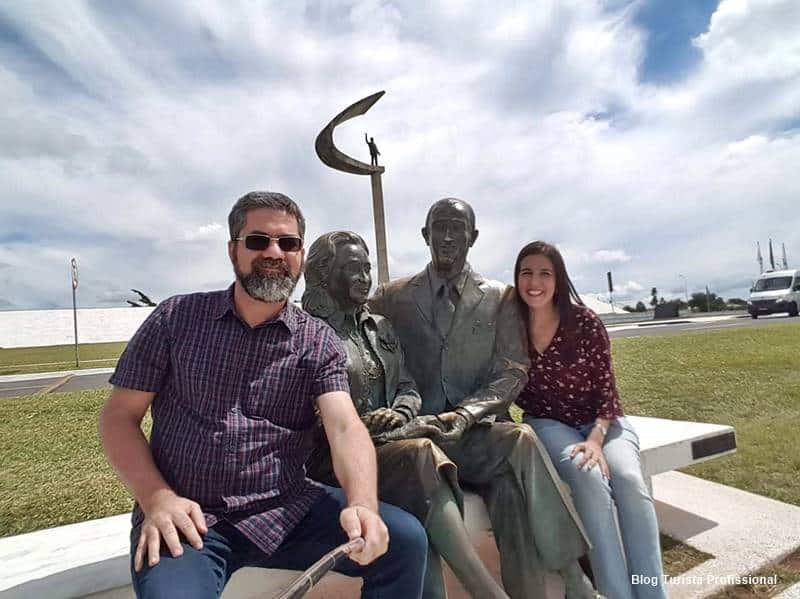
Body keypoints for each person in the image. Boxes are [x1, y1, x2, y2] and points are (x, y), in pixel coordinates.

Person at [98, 191, 427, 599]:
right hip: (191, 518)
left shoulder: (316, 339)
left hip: (288, 509)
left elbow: (344, 426)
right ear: (233, 249)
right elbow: (119, 418)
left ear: (301, 255)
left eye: (287, 243)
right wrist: (157, 499)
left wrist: (362, 503)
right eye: (258, 240)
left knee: (405, 540)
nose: (274, 252)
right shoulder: (175, 319)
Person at [370, 198, 598, 599]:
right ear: (425, 235)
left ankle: (564, 579)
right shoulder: (392, 296)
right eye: (438, 227)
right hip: (418, 439)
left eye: (457, 228)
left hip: (474, 434)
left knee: (514, 464)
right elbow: (351, 329)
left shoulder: (500, 297)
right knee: (516, 459)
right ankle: (573, 578)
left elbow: (512, 369)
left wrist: (467, 412)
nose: (447, 236)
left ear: (472, 237)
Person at [302, 231, 508, 599]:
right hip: (335, 460)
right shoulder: (308, 334)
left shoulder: (380, 327)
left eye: (367, 269)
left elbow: (407, 386)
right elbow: (304, 413)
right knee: (420, 453)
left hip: (390, 446)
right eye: (353, 269)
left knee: (416, 488)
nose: (364, 277)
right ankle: (486, 591)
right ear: (323, 274)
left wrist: (399, 413)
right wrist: (362, 425)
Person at [512, 240, 667, 599]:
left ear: (559, 279)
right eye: (526, 273)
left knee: (628, 479)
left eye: (544, 273)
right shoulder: (510, 327)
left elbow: (608, 392)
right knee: (589, 479)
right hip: (548, 424)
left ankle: (651, 593)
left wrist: (597, 438)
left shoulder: (583, 321)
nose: (534, 282)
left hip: (604, 422)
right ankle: (617, 593)